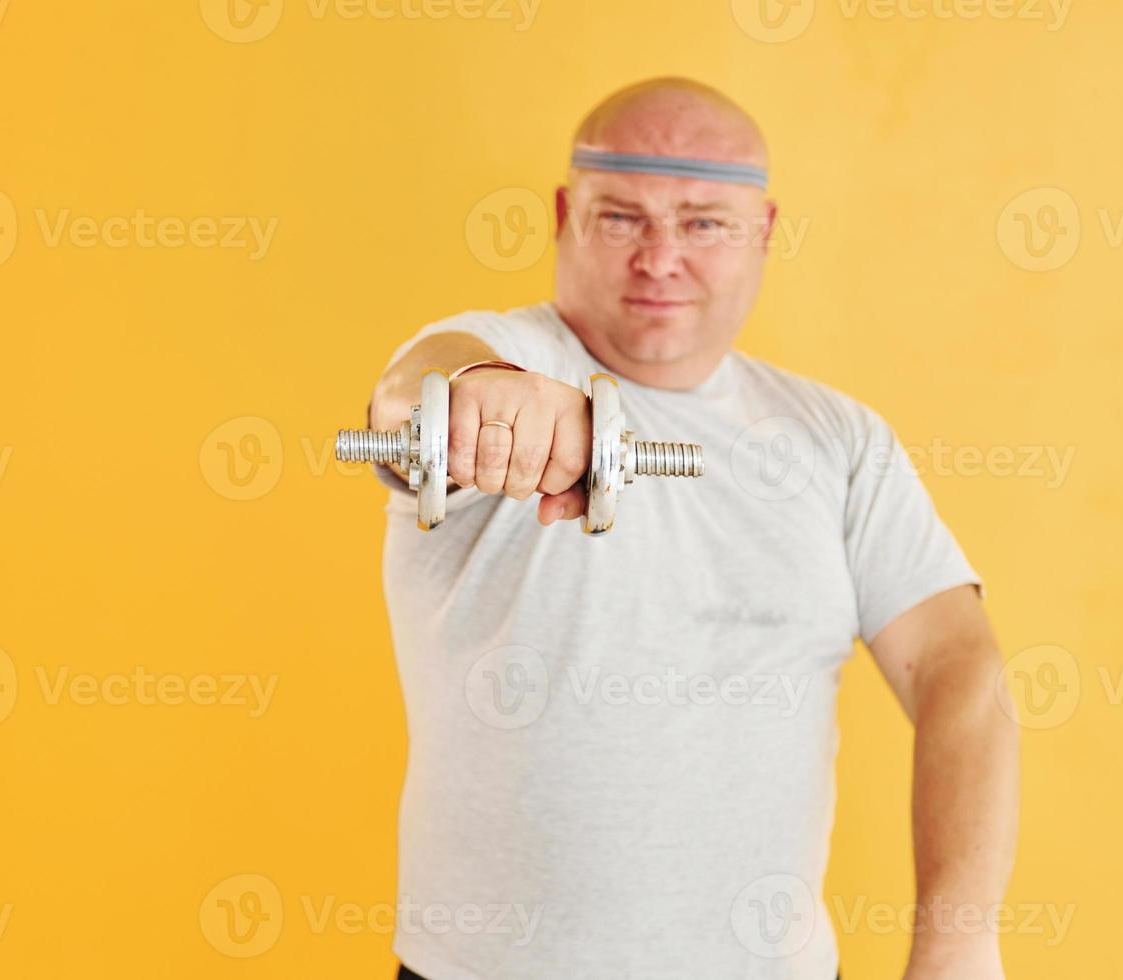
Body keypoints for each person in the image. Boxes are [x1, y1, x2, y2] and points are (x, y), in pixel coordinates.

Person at [365, 77, 1018, 980]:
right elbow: (411, 396)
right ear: (565, 214)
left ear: (765, 230)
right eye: (623, 218)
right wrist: (478, 398)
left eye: (704, 222)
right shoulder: (509, 358)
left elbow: (960, 667)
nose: (661, 259)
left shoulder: (836, 441)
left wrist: (960, 942)